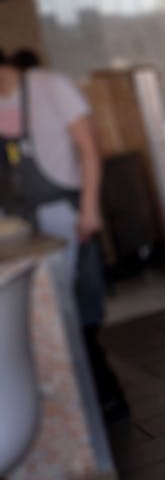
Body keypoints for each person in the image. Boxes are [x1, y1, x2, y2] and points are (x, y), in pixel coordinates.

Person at [0, 50, 127, 421]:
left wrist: (90, 209)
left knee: (76, 313)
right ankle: (78, 407)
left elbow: (89, 149)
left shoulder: (49, 87)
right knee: (42, 318)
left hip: (66, 215)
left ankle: (106, 399)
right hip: (21, 224)